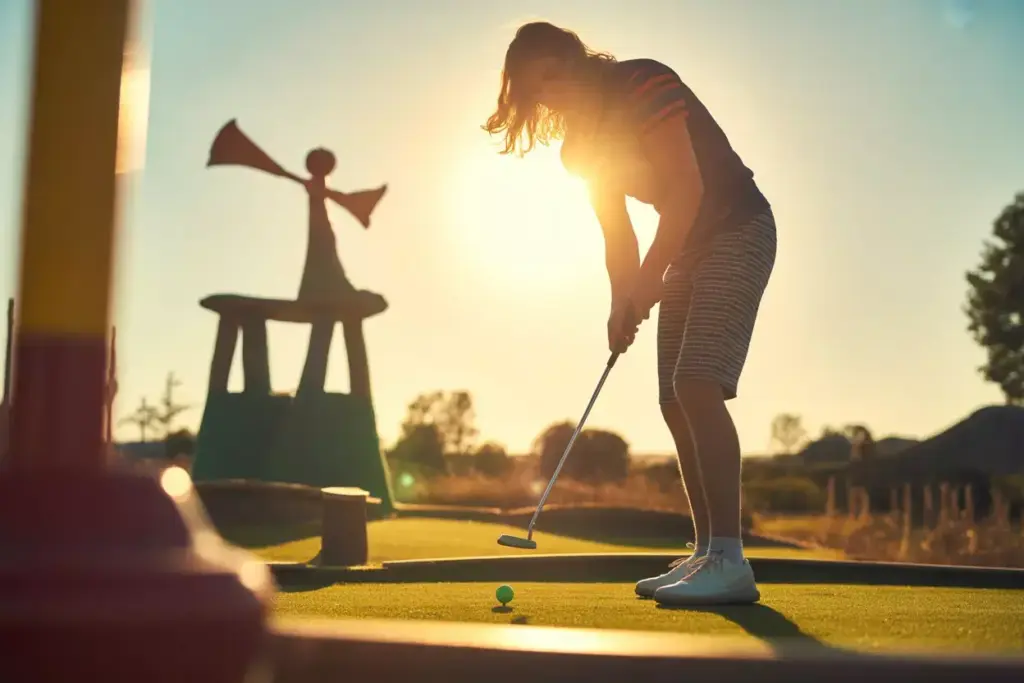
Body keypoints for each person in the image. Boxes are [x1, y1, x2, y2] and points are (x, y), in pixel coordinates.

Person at [483, 22, 776, 606]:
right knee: (672, 399)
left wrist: (647, 286)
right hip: (689, 248)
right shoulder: (579, 150)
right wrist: (623, 302)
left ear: (575, 57)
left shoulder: (643, 81)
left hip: (739, 229)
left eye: (552, 73)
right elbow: (618, 235)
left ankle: (730, 557)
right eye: (537, 90)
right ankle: (704, 555)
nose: (550, 93)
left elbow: (687, 190)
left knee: (696, 382)